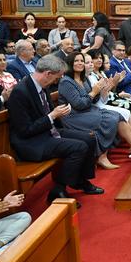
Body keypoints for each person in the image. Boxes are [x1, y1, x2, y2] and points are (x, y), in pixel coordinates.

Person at [7, 54, 102, 206]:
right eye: (56, 78)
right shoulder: (20, 92)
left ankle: (81, 181)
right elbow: (25, 130)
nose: (57, 81)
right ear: (48, 74)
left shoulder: (42, 86)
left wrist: (58, 114)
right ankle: (58, 190)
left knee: (89, 138)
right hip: (32, 142)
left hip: (47, 132)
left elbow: (51, 116)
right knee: (79, 147)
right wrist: (52, 116)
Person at [58, 52, 131, 169]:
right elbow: (79, 104)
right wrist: (94, 92)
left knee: (117, 115)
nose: (80, 63)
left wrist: (102, 89)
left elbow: (92, 100)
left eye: (82, 61)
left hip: (87, 111)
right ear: (70, 64)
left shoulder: (84, 78)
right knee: (109, 119)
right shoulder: (66, 81)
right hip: (73, 116)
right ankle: (101, 157)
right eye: (76, 61)